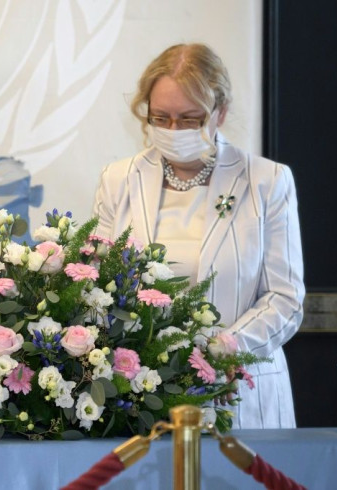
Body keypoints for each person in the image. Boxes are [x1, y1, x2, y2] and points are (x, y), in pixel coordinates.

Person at [92, 43, 304, 429]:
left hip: (240, 394)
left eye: (190, 119)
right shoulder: (118, 179)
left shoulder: (267, 181)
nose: (174, 130)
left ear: (219, 112)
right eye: (161, 117)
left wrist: (225, 349)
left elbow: (286, 300)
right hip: (142, 397)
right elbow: (98, 287)